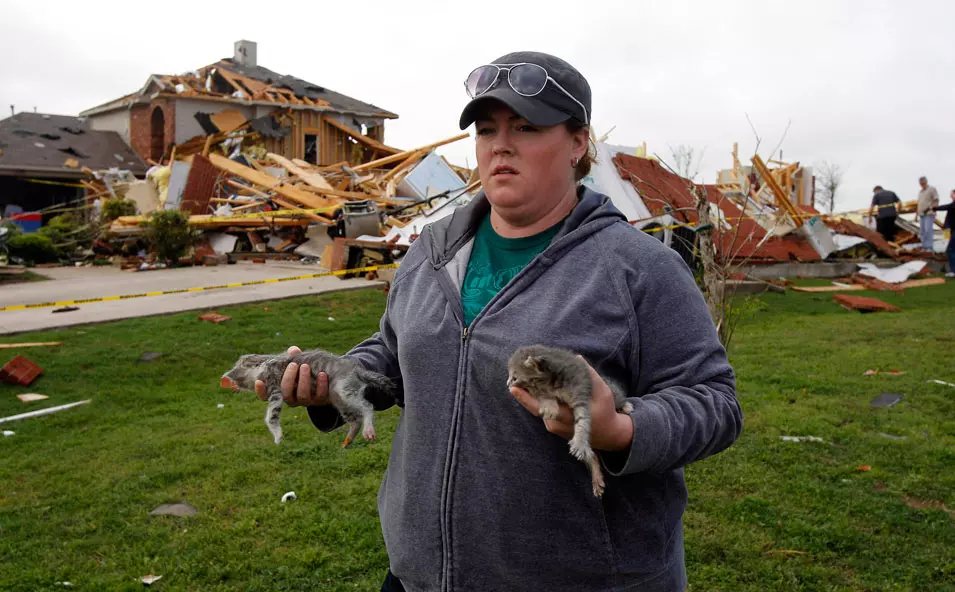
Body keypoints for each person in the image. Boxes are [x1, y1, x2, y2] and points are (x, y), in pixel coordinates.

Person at [256, 51, 742, 592]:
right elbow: (393, 353)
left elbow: (715, 402)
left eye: (526, 127)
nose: (499, 145)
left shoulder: (638, 268)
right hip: (420, 576)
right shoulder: (432, 251)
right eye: (486, 129)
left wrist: (619, 430)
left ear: (579, 143)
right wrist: (336, 382)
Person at [932, 189, 955, 278]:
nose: (951, 196)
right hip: (952, 230)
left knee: (951, 249)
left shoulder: (953, 205)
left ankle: (953, 271)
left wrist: (934, 208)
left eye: (952, 195)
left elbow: (946, 206)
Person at [917, 176, 940, 251]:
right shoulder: (920, 192)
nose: (922, 184)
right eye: (921, 183)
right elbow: (919, 203)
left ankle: (929, 247)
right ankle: (924, 247)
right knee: (922, 231)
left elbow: (936, 200)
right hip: (921, 214)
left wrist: (934, 209)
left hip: (929, 213)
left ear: (926, 181)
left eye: (923, 182)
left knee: (928, 230)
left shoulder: (932, 189)